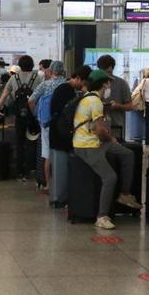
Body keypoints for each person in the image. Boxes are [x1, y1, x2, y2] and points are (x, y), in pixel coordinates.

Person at [73, 69, 142, 230]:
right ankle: (102, 216)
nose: (110, 85)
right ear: (104, 84)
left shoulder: (89, 98)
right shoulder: (95, 101)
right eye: (109, 82)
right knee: (110, 177)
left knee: (128, 154)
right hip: (87, 145)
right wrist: (111, 139)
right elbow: (99, 130)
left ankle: (125, 194)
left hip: (94, 141)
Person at [46, 65, 86, 209]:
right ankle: (58, 197)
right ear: (78, 78)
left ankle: (58, 196)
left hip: (57, 132)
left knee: (59, 165)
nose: (83, 87)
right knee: (60, 166)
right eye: (83, 82)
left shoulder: (64, 89)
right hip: (60, 133)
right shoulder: (66, 90)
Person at [0, 56, 42, 178]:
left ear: (20, 65)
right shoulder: (37, 78)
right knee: (32, 142)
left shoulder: (13, 78)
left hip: (19, 115)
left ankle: (19, 170)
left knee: (19, 142)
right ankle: (30, 168)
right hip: (33, 115)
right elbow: (41, 97)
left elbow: (4, 95)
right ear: (32, 65)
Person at [29, 60, 66, 194]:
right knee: (63, 152)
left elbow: (31, 100)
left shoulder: (45, 85)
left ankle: (48, 185)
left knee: (47, 153)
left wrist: (36, 114)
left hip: (46, 123)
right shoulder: (67, 85)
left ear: (50, 71)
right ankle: (63, 185)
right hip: (64, 124)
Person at [95, 55, 132, 141]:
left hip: (116, 127)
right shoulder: (95, 83)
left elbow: (130, 106)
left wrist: (117, 106)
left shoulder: (122, 84)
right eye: (101, 69)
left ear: (111, 68)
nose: (103, 72)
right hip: (98, 127)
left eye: (105, 69)